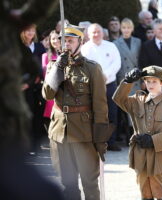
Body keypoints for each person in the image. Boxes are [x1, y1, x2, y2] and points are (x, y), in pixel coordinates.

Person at [42, 24, 111, 200]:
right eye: (63, 41)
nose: (66, 45)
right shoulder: (53, 66)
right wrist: (58, 69)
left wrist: (101, 137)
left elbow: (101, 106)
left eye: (71, 41)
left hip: (84, 133)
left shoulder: (92, 68)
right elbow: (48, 94)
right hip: (59, 133)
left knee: (90, 182)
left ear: (80, 42)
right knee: (68, 183)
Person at [112, 66, 162, 200]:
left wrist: (153, 140)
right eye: (147, 81)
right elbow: (118, 99)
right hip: (141, 155)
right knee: (145, 193)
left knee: (160, 191)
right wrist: (127, 82)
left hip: (160, 156)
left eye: (154, 81)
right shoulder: (137, 101)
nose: (150, 85)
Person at [81, 23, 122, 151]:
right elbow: (84, 67)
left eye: (98, 31)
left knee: (112, 113)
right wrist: (98, 78)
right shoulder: (84, 49)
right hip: (93, 86)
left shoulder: (111, 46)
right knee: (95, 114)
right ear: (88, 34)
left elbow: (117, 63)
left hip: (110, 84)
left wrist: (106, 75)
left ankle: (111, 141)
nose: (96, 34)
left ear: (103, 33)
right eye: (93, 32)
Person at [114, 18, 142, 144]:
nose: (126, 30)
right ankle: (129, 136)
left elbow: (141, 60)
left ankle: (139, 134)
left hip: (137, 78)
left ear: (132, 29)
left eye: (128, 27)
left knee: (138, 107)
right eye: (124, 28)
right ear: (121, 29)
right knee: (127, 109)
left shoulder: (138, 41)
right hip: (125, 78)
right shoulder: (115, 43)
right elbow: (116, 63)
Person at [20, 23, 46, 155]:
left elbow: (41, 67)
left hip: (36, 87)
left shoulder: (40, 47)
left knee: (36, 116)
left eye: (32, 30)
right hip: (20, 87)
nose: (30, 33)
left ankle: (35, 145)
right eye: (27, 30)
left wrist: (32, 81)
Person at [41, 30, 61, 136]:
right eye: (52, 38)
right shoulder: (45, 56)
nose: (55, 40)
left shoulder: (66, 54)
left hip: (64, 89)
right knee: (50, 114)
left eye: (58, 38)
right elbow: (45, 74)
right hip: (51, 89)